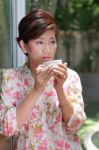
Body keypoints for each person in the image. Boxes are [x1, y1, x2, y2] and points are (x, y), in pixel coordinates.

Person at [0, 9, 86, 150]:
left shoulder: (70, 77)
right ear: (23, 46)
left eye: (52, 41)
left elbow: (75, 125)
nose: (47, 49)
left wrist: (60, 89)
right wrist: (36, 90)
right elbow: (7, 129)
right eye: (40, 42)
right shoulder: (10, 78)